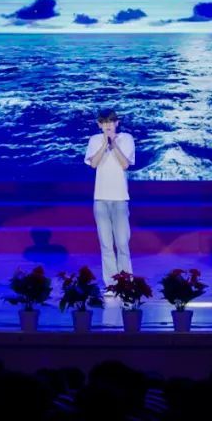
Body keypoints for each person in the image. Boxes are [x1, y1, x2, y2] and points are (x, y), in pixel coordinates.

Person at [84, 108, 136, 290]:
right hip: (100, 199)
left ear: (116, 123)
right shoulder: (94, 140)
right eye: (104, 122)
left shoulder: (126, 138)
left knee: (122, 244)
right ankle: (111, 284)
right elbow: (94, 164)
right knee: (106, 245)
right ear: (99, 125)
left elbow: (125, 164)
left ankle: (126, 282)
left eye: (111, 122)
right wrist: (104, 144)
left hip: (120, 199)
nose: (108, 125)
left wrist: (113, 144)